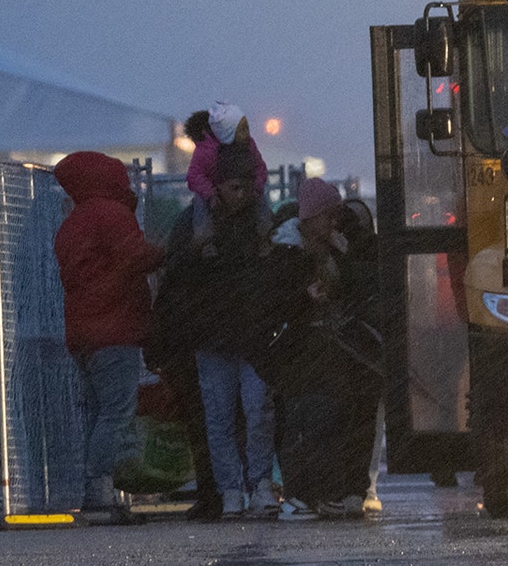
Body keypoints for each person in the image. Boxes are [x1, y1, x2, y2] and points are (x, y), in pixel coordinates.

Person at [159, 142, 279, 520]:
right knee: (237, 414)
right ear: (219, 186)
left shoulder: (196, 226)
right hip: (234, 331)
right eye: (234, 187)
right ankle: (248, 485)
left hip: (221, 330)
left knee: (239, 414)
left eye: (245, 187)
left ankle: (239, 489)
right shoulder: (260, 226)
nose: (241, 194)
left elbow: (174, 274)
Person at [253, 178, 383, 520]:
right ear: (311, 218)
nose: (334, 223)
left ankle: (336, 491)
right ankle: (308, 493)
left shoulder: (337, 251)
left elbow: (360, 291)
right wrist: (303, 299)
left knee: (339, 418)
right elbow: (270, 307)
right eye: (329, 216)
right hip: (303, 354)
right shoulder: (287, 256)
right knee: (311, 420)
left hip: (333, 351)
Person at [53, 151, 165, 524]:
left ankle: (99, 492)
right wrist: (167, 250)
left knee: (99, 412)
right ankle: (101, 493)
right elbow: (135, 256)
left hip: (84, 332)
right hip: (115, 328)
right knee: (117, 411)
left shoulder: (73, 222)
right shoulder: (110, 214)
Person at [184, 101, 269, 241]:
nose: (246, 134)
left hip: (242, 186)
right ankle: (203, 238)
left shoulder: (247, 145)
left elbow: (260, 167)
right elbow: (194, 175)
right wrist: (210, 193)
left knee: (261, 201)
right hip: (212, 189)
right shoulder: (206, 150)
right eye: (241, 129)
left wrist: (257, 186)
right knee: (201, 206)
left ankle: (265, 233)